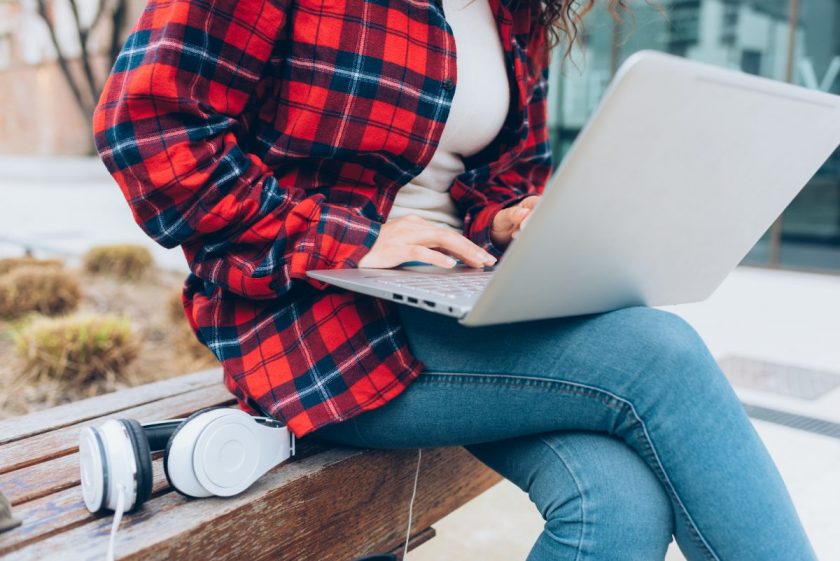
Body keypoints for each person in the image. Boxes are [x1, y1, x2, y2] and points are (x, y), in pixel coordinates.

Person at [92, 0, 818, 558]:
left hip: (456, 300)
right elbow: (148, 132)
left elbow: (502, 172)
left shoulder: (510, 11)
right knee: (662, 354)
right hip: (312, 316)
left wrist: (505, 218)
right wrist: (355, 237)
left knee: (616, 500)